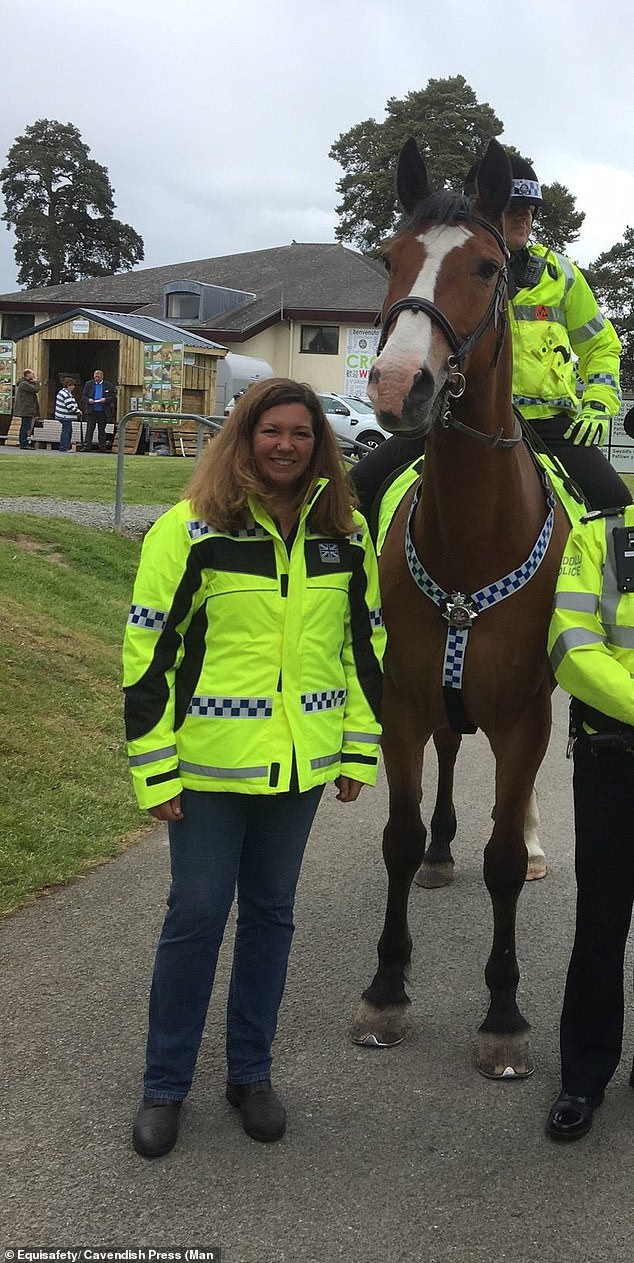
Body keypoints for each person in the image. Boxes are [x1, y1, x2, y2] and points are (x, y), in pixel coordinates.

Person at [123, 377, 385, 1158]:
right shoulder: (190, 529)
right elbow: (149, 653)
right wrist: (156, 770)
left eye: (301, 434)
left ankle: (251, 1074)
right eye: (271, 430)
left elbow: (365, 649)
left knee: (271, 917)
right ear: (243, 435)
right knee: (196, 917)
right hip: (206, 774)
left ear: (320, 445)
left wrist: (356, 749)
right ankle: (164, 1084)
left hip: (299, 773)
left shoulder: (345, 533)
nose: (285, 445)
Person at [351, 152, 630, 522]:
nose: (524, 217)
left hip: (548, 423)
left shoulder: (561, 275)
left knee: (619, 509)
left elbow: (600, 344)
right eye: (513, 207)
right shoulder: (448, 265)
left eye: (531, 209)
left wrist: (597, 400)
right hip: (454, 415)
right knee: (352, 492)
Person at [545, 500, 634, 1141]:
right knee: (601, 917)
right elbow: (573, 644)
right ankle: (584, 1074)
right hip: (614, 753)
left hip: (571, 421)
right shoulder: (600, 532)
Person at [80, 369, 116, 452]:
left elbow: (113, 398)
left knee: (102, 429)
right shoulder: (89, 384)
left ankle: (102, 446)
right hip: (91, 410)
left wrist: (105, 400)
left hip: (102, 410)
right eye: (96, 376)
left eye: (99, 377)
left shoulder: (108, 385)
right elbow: (84, 396)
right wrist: (89, 400)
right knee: (89, 429)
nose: (97, 378)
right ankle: (87, 446)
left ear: (102, 377)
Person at [13, 369, 40, 449]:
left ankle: (24, 442)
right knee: (25, 426)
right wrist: (37, 382)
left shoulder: (26, 383)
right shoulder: (23, 384)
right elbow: (35, 390)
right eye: (32, 374)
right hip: (25, 409)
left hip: (27, 409)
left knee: (26, 426)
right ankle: (23, 443)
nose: (34, 375)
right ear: (27, 375)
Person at [54, 376, 81, 452]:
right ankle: (64, 447)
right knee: (66, 431)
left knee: (68, 430)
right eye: (73, 385)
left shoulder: (63, 392)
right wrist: (77, 411)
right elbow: (69, 406)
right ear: (69, 385)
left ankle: (66, 447)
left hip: (62, 415)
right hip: (65, 416)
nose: (74, 387)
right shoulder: (66, 394)